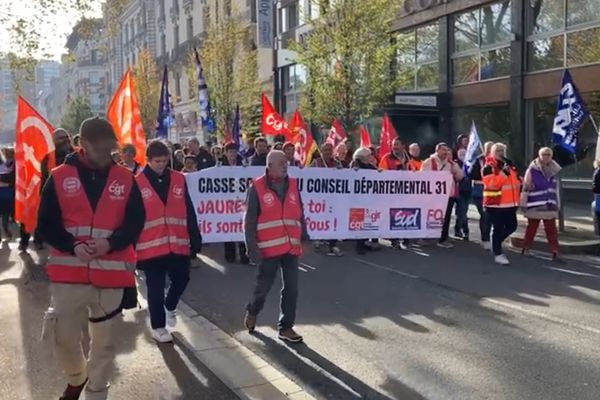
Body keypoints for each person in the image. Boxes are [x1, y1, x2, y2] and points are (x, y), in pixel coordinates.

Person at [37, 117, 145, 400]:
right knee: (63, 337)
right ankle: (77, 377)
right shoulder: (59, 176)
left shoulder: (125, 178)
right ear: (82, 145)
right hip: (69, 276)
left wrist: (111, 242)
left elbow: (136, 221)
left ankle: (96, 393)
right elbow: (46, 224)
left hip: (111, 275)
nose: (107, 155)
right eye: (100, 149)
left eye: (110, 149)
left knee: (105, 345)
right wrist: (73, 245)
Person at [135, 140, 202, 343]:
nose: (162, 165)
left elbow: (188, 209)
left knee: (182, 279)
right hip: (150, 246)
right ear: (148, 160)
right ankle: (158, 327)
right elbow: (133, 218)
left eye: (165, 161)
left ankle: (170, 305)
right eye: (157, 161)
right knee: (154, 288)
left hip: (177, 243)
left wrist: (195, 236)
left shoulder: (179, 179)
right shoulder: (137, 183)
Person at [244, 150, 308, 343]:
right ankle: (253, 310)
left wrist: (305, 236)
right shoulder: (257, 187)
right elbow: (250, 221)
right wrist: (251, 248)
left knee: (292, 288)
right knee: (263, 287)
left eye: (286, 162)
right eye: (281, 163)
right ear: (269, 166)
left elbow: (300, 212)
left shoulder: (294, 185)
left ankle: (286, 327)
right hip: (268, 249)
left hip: (290, 247)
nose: (285, 165)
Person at [20, 128, 74, 252]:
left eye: (66, 137)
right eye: (61, 138)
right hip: (54, 196)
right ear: (54, 141)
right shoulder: (47, 157)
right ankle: (38, 241)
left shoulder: (78, 153)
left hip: (74, 197)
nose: (65, 140)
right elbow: (44, 178)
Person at [482, 143, 521, 265]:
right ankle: (498, 254)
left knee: (512, 226)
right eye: (498, 150)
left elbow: (516, 181)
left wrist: (522, 182)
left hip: (511, 204)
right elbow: (492, 184)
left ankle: (496, 242)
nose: (501, 152)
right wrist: (504, 173)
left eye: (503, 150)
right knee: (498, 229)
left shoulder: (509, 164)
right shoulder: (488, 167)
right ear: (493, 152)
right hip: (495, 205)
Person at [421, 143, 464, 248]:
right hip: (432, 196)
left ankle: (443, 239)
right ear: (437, 150)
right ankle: (425, 237)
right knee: (429, 216)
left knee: (446, 217)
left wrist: (456, 171)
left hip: (448, 195)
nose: (446, 152)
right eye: (443, 150)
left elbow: (460, 176)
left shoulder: (451, 164)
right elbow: (423, 177)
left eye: (447, 150)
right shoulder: (429, 162)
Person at [521, 147, 561, 259]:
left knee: (551, 229)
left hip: (550, 203)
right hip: (535, 203)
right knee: (532, 227)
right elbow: (526, 187)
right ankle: (526, 247)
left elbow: (556, 188)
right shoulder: (532, 169)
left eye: (548, 154)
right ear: (540, 156)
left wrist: (558, 203)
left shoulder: (555, 169)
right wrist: (523, 203)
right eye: (544, 154)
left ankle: (555, 250)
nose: (546, 156)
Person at [222, 142, 249, 264]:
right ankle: (230, 254)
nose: (233, 154)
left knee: (242, 227)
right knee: (228, 227)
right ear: (226, 153)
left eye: (234, 151)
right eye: (230, 152)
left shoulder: (243, 164)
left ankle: (244, 255)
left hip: (241, 201)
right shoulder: (220, 165)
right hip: (226, 202)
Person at [350, 148, 379, 255]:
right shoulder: (355, 165)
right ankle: (359, 245)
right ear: (363, 156)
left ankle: (365, 243)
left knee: (367, 221)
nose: (371, 157)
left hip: (367, 198)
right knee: (359, 222)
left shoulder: (368, 165)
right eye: (369, 155)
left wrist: (380, 172)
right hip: (358, 199)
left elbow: (375, 171)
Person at [468, 141, 494, 250]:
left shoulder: (499, 161)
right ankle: (485, 239)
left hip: (494, 191)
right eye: (488, 148)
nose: (490, 151)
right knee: (484, 215)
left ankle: (491, 236)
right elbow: (471, 174)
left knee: (491, 216)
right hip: (480, 190)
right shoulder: (479, 160)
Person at [454, 148, 472, 241]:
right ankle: (465, 231)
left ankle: (458, 229)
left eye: (464, 154)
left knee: (462, 212)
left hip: (468, 190)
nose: (463, 155)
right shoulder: (455, 164)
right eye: (460, 154)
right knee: (462, 211)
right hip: (458, 190)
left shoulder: (469, 164)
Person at [0, 147, 15, 241]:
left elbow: (12, 181)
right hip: (7, 195)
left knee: (5, 217)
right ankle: (6, 232)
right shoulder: (9, 166)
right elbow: (12, 181)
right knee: (5, 217)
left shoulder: (9, 166)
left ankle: (5, 232)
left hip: (6, 194)